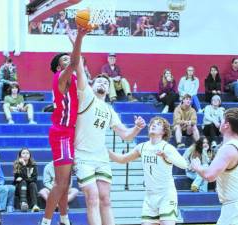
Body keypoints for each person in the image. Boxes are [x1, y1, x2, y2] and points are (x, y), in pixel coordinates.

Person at [74, 70, 146, 224]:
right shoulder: (86, 97)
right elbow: (79, 71)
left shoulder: (109, 110)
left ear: (108, 90)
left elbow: (126, 135)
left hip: (101, 157)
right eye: (99, 81)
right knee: (92, 197)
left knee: (105, 199)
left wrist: (137, 128)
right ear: (92, 85)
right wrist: (78, 53)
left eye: (106, 83)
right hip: (82, 156)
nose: (103, 84)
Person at [40, 28, 88, 225]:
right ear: (59, 67)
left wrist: (73, 41)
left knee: (66, 183)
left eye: (69, 58)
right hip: (61, 132)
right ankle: (45, 221)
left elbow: (79, 62)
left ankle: (64, 219)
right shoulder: (61, 78)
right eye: (65, 60)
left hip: (69, 132)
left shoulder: (74, 78)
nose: (69, 61)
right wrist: (79, 37)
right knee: (60, 183)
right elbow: (77, 62)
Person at [109, 117, 187, 225]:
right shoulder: (142, 147)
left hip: (166, 195)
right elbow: (122, 159)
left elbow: (184, 165)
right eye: (152, 124)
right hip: (150, 196)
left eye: (158, 124)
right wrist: (106, 151)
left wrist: (166, 156)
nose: (153, 125)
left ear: (164, 131)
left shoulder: (167, 148)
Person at [191, 108, 238, 225]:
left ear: (226, 125)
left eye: (222, 119)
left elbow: (209, 175)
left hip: (233, 206)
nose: (220, 122)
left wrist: (197, 166)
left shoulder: (228, 148)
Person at [13, 147, 40, 212]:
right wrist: (24, 165)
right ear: (20, 155)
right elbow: (17, 180)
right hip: (20, 188)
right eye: (23, 153)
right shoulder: (17, 165)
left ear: (30, 155)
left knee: (32, 184)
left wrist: (25, 178)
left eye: (27, 153)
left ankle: (35, 205)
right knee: (23, 182)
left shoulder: (34, 165)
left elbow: (34, 179)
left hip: (31, 188)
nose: (25, 154)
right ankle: (23, 203)